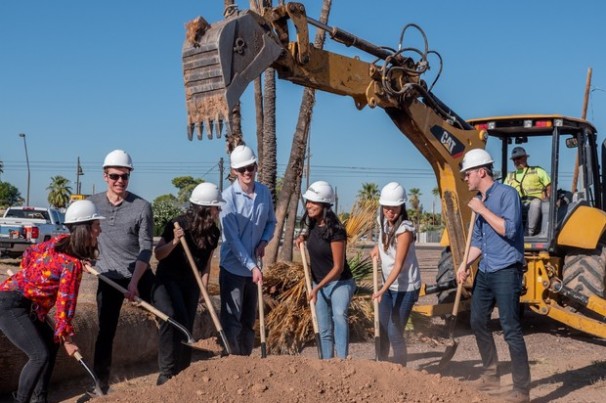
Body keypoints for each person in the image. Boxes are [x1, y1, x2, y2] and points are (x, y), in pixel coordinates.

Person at [0, 200, 105, 403]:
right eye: (96, 225)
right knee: (40, 355)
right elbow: (65, 303)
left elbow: (30, 253)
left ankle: (40, 399)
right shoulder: (71, 264)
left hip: (24, 303)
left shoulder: (61, 242)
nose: (99, 230)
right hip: (9, 305)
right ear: (85, 229)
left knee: (50, 342)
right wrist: (68, 340)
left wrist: (31, 279)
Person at [457, 148, 530, 403]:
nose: (465, 178)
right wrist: (464, 264)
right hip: (486, 271)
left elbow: (508, 230)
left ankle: (521, 389)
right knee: (477, 322)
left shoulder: (507, 194)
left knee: (510, 329)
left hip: (507, 270)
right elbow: (477, 242)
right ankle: (491, 378)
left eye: (468, 174)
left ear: (481, 172)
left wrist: (482, 210)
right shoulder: (479, 200)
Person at [87, 149, 155, 394]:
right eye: (115, 176)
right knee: (106, 331)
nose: (120, 181)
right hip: (108, 276)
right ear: (105, 176)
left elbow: (146, 248)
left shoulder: (142, 207)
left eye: (125, 176)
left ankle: (172, 371)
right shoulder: (91, 204)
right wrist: (86, 259)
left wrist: (135, 282)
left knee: (167, 312)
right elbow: (81, 237)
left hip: (138, 273)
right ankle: (100, 384)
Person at [152, 182, 223, 385]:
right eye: (216, 207)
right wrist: (174, 242)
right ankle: (166, 372)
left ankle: (183, 373)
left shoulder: (213, 233)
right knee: (172, 318)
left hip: (191, 283)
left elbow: (206, 264)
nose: (219, 211)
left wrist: (204, 287)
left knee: (187, 325)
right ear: (205, 208)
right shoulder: (177, 224)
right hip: (168, 279)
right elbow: (158, 254)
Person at [219, 145, 276, 356]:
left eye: (250, 167)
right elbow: (233, 241)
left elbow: (271, 221)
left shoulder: (263, 193)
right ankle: (231, 362)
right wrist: (252, 267)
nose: (246, 173)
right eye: (241, 169)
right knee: (232, 319)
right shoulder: (227, 199)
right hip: (234, 268)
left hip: (254, 270)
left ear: (256, 166)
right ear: (234, 171)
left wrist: (264, 240)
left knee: (249, 319)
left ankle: (246, 361)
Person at [295, 181, 356, 359]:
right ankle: (327, 363)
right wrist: (302, 237)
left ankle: (343, 361)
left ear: (324, 204)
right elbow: (312, 234)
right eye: (308, 202)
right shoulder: (313, 225)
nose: (308, 206)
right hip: (318, 284)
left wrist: (317, 287)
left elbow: (338, 268)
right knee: (324, 327)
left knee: (338, 315)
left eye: (313, 202)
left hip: (340, 282)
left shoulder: (337, 231)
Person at [370, 182, 421, 366]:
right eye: (387, 207)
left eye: (394, 207)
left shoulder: (405, 230)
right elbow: (384, 238)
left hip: (405, 288)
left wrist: (381, 290)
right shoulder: (382, 220)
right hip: (388, 286)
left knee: (394, 330)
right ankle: (382, 365)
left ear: (401, 206)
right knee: (382, 327)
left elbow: (398, 265)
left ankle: (401, 370)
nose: (390, 211)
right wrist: (377, 247)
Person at [505, 146, 551, 235]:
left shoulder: (537, 170)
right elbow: (503, 193)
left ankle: (528, 233)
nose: (516, 161)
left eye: (518, 158)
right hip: (518, 204)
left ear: (525, 158)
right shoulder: (510, 176)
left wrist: (548, 199)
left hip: (536, 203)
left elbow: (549, 187)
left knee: (535, 203)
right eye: (514, 159)